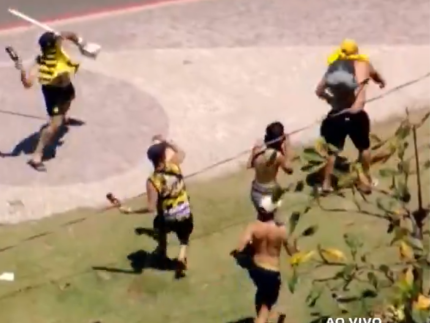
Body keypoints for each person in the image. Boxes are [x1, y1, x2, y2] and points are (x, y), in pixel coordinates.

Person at [315, 38, 386, 193]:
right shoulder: (363, 65)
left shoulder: (334, 67)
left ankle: (326, 184)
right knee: (364, 148)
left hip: (337, 113)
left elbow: (319, 90)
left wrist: (331, 100)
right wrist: (381, 82)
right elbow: (376, 75)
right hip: (355, 113)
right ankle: (365, 180)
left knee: (332, 151)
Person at [14, 31, 89, 171]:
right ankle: (36, 157)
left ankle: (64, 117)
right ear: (50, 47)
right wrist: (22, 72)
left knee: (71, 97)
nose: (59, 41)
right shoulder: (40, 63)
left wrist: (80, 42)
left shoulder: (58, 47)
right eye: (55, 41)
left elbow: (69, 35)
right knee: (54, 125)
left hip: (66, 88)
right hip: (53, 94)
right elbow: (27, 84)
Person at [121, 135, 192, 278]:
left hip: (169, 217)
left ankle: (162, 250)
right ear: (163, 155)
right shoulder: (174, 164)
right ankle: (182, 253)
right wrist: (168, 142)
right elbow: (182, 153)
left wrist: (130, 211)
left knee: (159, 222)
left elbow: (150, 208)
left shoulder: (152, 181)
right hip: (185, 212)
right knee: (184, 233)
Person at [231, 193, 297, 323]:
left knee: (261, 298)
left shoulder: (253, 227)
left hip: (256, 270)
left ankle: (267, 318)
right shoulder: (281, 230)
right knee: (266, 305)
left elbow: (239, 248)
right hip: (272, 272)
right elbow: (292, 253)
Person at [247, 121, 293, 212]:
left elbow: (249, 165)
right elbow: (289, 170)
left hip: (256, 191)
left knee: (263, 218)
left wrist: (254, 151)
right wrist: (287, 145)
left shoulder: (258, 151)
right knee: (272, 221)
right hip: (269, 193)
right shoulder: (277, 156)